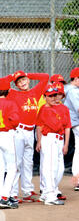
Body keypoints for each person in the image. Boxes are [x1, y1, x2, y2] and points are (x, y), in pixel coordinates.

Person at [5, 70, 49, 203]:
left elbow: (45, 77)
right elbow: (2, 84)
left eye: (23, 80)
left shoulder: (35, 91)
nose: (22, 83)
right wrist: (12, 76)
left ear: (28, 80)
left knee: (28, 162)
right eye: (19, 82)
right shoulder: (13, 94)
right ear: (16, 85)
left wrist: (27, 74)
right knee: (17, 162)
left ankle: (27, 191)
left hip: (31, 131)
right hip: (19, 130)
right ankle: (12, 193)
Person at [35, 84, 71, 205]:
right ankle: (50, 195)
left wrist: (66, 144)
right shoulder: (44, 109)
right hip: (49, 139)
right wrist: (39, 141)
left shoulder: (63, 108)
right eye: (50, 96)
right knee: (50, 167)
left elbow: (67, 127)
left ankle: (47, 192)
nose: (53, 98)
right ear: (45, 97)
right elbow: (40, 126)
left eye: (55, 95)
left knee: (59, 169)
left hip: (59, 140)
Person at [0, 77, 20, 209]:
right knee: (12, 168)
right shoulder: (10, 103)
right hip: (7, 135)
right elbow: (15, 121)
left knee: (0, 168)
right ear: (8, 90)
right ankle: (5, 197)